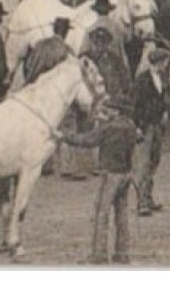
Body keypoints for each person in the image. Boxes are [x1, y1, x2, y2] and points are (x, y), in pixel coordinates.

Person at [57, 96, 141, 264]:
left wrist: (63, 136)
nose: (104, 111)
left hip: (110, 175)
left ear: (115, 111)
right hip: (126, 174)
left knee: (102, 214)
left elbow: (86, 141)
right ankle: (122, 253)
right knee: (122, 215)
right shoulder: (131, 126)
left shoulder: (107, 127)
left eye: (107, 109)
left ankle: (99, 254)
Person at [131, 45, 169, 216]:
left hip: (157, 124)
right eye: (164, 62)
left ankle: (148, 195)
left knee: (155, 159)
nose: (166, 65)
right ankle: (141, 201)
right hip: (145, 125)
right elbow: (136, 105)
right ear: (159, 63)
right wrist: (137, 126)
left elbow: (164, 99)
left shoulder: (163, 78)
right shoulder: (142, 80)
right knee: (143, 163)